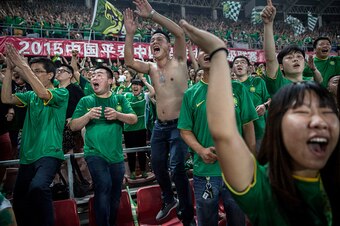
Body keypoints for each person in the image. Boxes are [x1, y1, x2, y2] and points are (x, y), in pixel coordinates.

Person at [178, 3, 340, 226]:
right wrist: (217, 52)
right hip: (207, 170)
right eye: (301, 112)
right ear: (277, 125)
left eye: (325, 111)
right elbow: (225, 132)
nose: (318, 121)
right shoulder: (264, 187)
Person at [124, 1, 195, 225]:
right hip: (160, 127)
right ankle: (169, 199)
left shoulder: (180, 61)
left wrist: (152, 15)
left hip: (180, 125)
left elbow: (179, 32)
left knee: (177, 167)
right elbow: (128, 61)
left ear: (169, 45)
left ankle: (187, 213)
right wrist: (130, 34)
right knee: (156, 164)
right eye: (152, 41)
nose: (154, 42)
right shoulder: (151, 68)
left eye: (159, 40)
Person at [178, 48, 258, 226]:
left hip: (236, 171)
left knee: (238, 220)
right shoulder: (191, 94)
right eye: (203, 50)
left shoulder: (237, 88)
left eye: (212, 50)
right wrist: (201, 150)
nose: (208, 53)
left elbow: (248, 126)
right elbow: (185, 130)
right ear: (197, 58)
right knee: (206, 221)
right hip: (205, 172)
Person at [1, 43, 69, 226]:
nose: (33, 74)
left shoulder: (62, 93)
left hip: (49, 153)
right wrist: (9, 69)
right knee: (20, 199)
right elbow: (6, 98)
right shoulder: (30, 96)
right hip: (27, 156)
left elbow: (42, 92)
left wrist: (22, 66)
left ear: (50, 75)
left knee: (39, 187)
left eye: (38, 71)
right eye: (32, 71)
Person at [69, 66, 137, 226]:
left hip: (116, 156)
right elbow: (73, 126)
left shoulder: (120, 100)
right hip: (94, 153)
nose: (94, 78)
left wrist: (118, 115)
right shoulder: (86, 101)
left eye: (99, 75)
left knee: (115, 195)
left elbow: (133, 118)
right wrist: (88, 116)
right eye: (92, 75)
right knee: (103, 186)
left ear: (110, 81)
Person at [261, 1, 322, 96]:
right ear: (281, 66)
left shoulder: (310, 83)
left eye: (299, 56)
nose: (295, 59)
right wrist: (268, 24)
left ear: (305, 64)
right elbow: (270, 58)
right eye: (289, 57)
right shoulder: (279, 83)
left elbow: (320, 81)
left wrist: (314, 70)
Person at [232, 56, 271, 151]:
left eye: (243, 62)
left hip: (259, 132)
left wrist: (265, 106)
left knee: (259, 163)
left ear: (249, 68)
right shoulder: (229, 86)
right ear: (232, 68)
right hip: (237, 135)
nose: (239, 64)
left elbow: (271, 99)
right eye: (236, 63)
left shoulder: (258, 81)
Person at [124, 77, 155, 180]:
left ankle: (143, 171)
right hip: (128, 130)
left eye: (138, 85)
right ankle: (132, 172)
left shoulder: (145, 96)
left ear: (141, 87)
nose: (135, 86)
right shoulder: (126, 95)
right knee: (130, 152)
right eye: (133, 84)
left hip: (141, 129)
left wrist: (145, 81)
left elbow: (153, 91)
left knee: (142, 152)